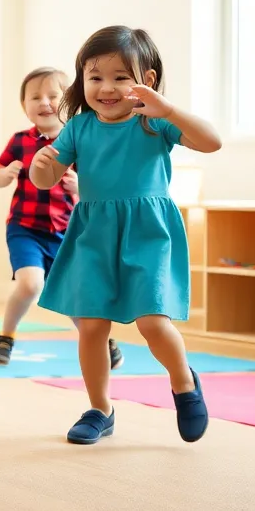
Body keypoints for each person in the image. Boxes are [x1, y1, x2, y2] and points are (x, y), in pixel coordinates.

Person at [31, 25, 220, 445]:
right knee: (92, 327)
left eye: (120, 77)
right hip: (93, 234)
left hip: (147, 232)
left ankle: (184, 382)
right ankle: (100, 408)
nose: (106, 88)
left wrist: (168, 110)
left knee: (153, 321)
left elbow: (212, 142)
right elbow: (46, 178)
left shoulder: (154, 122)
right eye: (95, 77)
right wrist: (42, 164)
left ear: (147, 81)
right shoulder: (79, 127)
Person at [0, 66, 124, 369]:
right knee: (30, 284)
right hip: (25, 228)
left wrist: (81, 187)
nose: (44, 102)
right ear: (24, 106)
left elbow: (102, 185)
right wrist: (4, 174)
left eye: (53, 95)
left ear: (70, 102)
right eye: (35, 97)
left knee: (75, 292)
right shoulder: (20, 141)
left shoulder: (80, 141)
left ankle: (99, 340)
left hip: (69, 232)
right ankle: (6, 336)